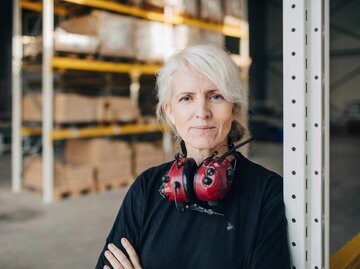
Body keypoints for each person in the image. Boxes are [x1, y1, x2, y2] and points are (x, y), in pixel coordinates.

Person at [95, 44, 291, 269]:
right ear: (170, 110)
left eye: (216, 96)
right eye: (186, 98)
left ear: (234, 107)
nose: (202, 112)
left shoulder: (267, 192)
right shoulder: (146, 187)